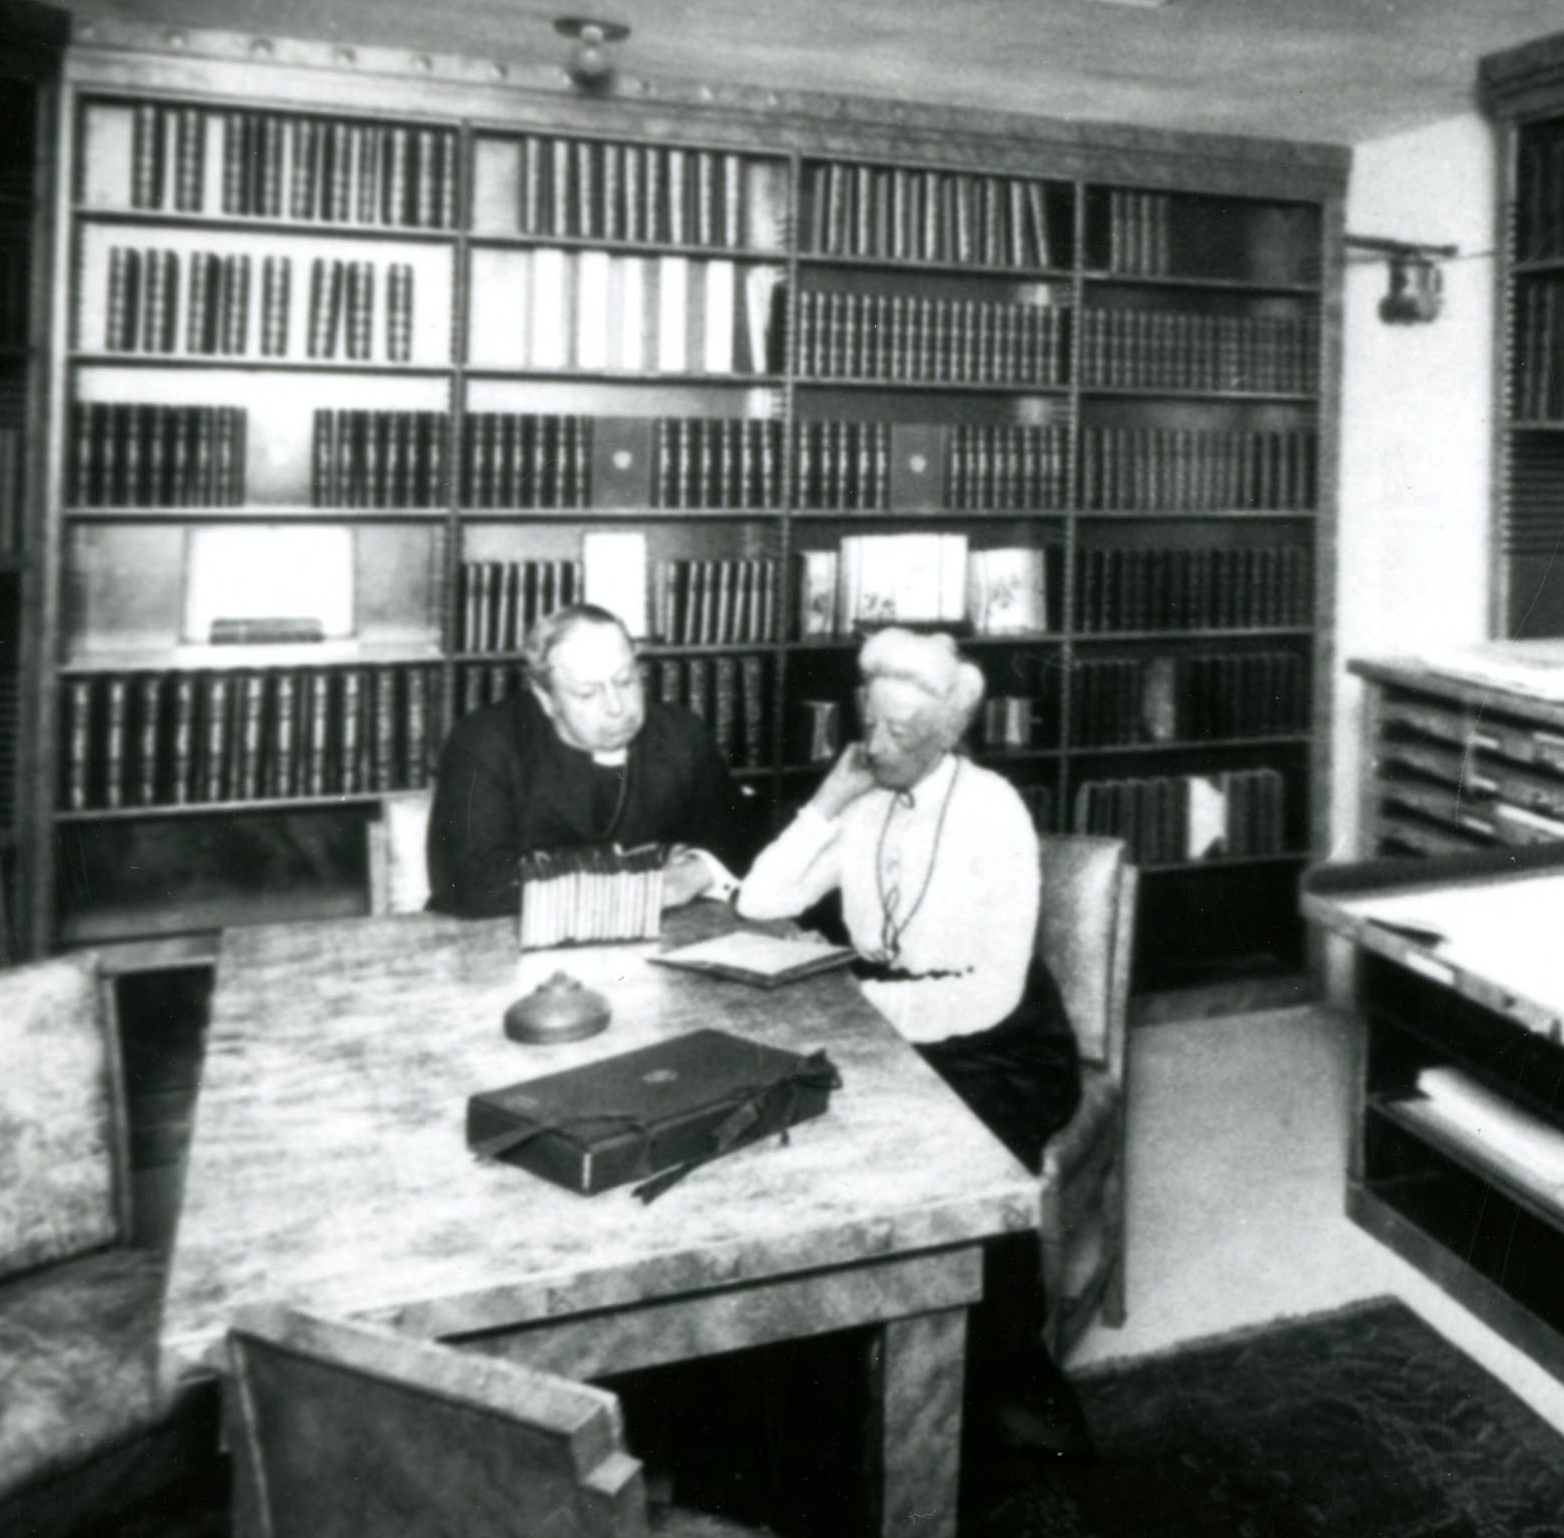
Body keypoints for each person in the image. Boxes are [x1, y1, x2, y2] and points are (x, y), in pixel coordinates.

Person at [734, 626, 1094, 1461]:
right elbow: (758, 900)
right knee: (799, 1156)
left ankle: (997, 1384)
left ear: (946, 736)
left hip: (999, 1042)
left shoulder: (992, 811)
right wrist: (826, 800)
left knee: (946, 1168)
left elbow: (991, 989)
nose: (876, 745)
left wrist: (865, 1019)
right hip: (891, 1028)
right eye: (870, 724)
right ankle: (838, 1382)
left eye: (900, 733)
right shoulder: (862, 793)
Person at [424, 603, 752, 918]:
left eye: (625, 681)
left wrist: (699, 872)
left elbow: (738, 835)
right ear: (545, 698)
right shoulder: (483, 740)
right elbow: (466, 881)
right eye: (586, 693)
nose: (616, 707)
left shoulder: (681, 733)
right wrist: (635, 880)